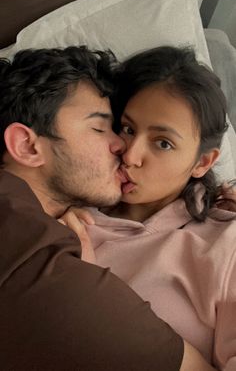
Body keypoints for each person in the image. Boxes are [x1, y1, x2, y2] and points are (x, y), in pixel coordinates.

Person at [0, 46, 215, 371]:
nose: (123, 148)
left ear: (203, 162)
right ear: (27, 145)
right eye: (101, 128)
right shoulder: (47, 272)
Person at [69, 46, 236, 371]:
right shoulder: (68, 210)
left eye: (163, 143)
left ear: (203, 161)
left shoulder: (224, 246)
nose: (130, 155)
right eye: (128, 129)